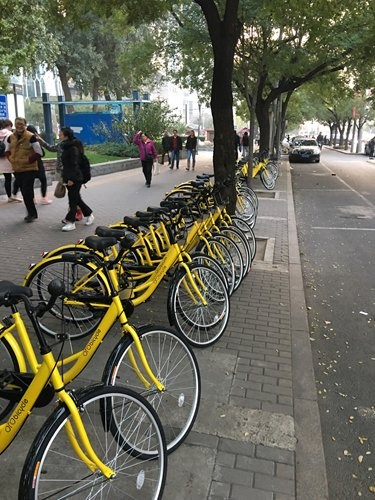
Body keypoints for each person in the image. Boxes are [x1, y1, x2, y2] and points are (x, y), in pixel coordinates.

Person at [5, 117, 42, 222]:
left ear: (25, 125)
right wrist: (11, 159)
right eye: (17, 124)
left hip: (29, 168)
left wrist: (28, 160)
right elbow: (7, 151)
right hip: (17, 169)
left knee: (26, 190)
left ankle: (31, 214)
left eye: (21, 124)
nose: (19, 126)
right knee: (26, 191)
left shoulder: (31, 137)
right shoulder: (10, 137)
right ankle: (32, 213)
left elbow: (38, 152)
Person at [59, 127, 94, 231]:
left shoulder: (72, 148)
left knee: (73, 200)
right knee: (76, 199)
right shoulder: (67, 146)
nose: (59, 135)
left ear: (66, 135)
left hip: (75, 178)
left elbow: (74, 165)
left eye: (60, 133)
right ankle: (89, 214)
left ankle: (71, 222)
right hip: (71, 177)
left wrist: (71, 179)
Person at [26, 125, 52, 204]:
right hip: (38, 163)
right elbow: (41, 153)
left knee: (30, 182)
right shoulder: (35, 140)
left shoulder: (25, 140)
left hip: (28, 163)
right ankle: (44, 198)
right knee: (43, 180)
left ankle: (32, 199)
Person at [0, 119, 21, 203]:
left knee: (7, 179)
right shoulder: (10, 134)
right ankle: (14, 194)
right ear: (8, 126)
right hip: (11, 158)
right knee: (19, 177)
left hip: (2, 159)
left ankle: (9, 197)